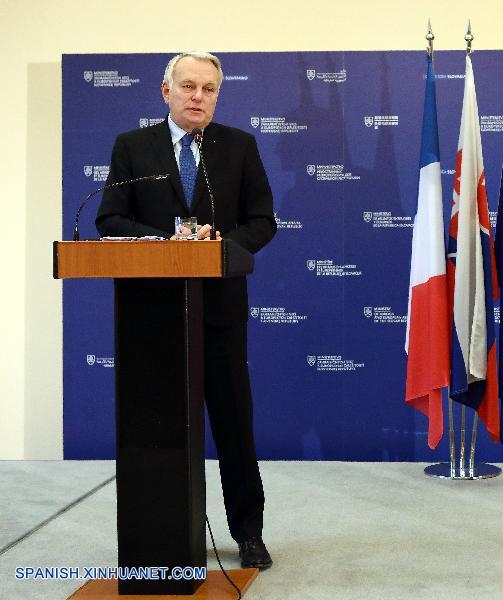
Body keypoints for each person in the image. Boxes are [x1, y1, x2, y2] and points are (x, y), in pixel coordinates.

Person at [96, 51, 277, 569]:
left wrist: (219, 248)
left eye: (209, 89)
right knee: (157, 427)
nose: (198, 97)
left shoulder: (239, 146)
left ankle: (249, 533)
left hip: (219, 312)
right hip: (152, 315)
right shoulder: (133, 147)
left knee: (234, 425)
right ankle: (160, 537)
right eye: (189, 86)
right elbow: (110, 220)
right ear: (166, 91)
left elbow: (262, 221)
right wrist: (167, 243)